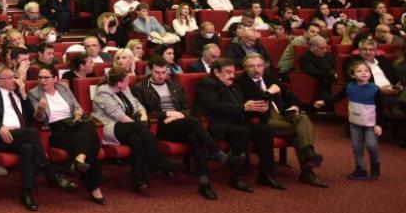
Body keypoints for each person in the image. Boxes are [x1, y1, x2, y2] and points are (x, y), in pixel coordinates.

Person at [0, 66, 77, 211]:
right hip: (1, 137)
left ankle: (27, 193)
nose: (14, 80)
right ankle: (51, 175)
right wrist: (0, 127)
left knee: (28, 149)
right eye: (9, 78)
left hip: (21, 136)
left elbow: (31, 117)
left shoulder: (19, 93)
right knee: (31, 133)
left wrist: (23, 94)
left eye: (14, 76)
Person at [133, 59, 235, 200]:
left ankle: (204, 183)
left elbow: (186, 107)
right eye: (157, 72)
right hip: (159, 125)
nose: (161, 76)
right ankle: (217, 153)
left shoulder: (175, 85)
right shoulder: (140, 87)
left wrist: (180, 115)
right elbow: (141, 112)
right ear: (150, 70)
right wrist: (166, 114)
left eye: (164, 72)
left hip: (180, 121)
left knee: (194, 137)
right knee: (194, 123)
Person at [235, 54, 328, 188]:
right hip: (261, 119)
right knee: (299, 133)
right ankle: (308, 169)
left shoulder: (269, 77)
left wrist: (295, 106)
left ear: (264, 66)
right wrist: (269, 91)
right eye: (251, 66)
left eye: (259, 65)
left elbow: (290, 96)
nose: (256, 69)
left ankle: (309, 153)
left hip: (282, 114)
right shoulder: (241, 82)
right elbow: (253, 103)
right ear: (245, 68)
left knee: (302, 117)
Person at [196, 59, 284, 192]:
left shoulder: (233, 85)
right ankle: (237, 176)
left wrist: (257, 107)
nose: (232, 75)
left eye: (233, 72)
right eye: (228, 72)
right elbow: (214, 106)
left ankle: (266, 174)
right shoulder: (207, 84)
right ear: (216, 72)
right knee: (242, 132)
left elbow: (243, 105)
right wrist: (244, 107)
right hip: (216, 124)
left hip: (236, 122)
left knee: (264, 130)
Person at [92, 67, 178, 193]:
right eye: (127, 80)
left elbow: (137, 104)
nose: (129, 82)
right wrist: (139, 126)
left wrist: (143, 115)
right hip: (109, 128)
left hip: (128, 127)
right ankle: (159, 160)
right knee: (139, 128)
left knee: (137, 139)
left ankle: (139, 180)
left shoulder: (125, 89)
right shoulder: (102, 92)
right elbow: (120, 117)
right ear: (119, 83)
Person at [28, 66, 105, 205]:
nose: (42, 81)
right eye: (40, 77)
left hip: (74, 123)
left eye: (46, 77)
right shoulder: (34, 93)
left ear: (55, 79)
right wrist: (40, 109)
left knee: (89, 125)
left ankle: (79, 159)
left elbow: (76, 106)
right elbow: (39, 119)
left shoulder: (63, 87)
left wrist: (78, 112)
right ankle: (94, 188)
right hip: (55, 129)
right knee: (89, 143)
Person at [344, 60, 385, 180]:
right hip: (355, 122)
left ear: (370, 74)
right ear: (353, 74)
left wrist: (379, 124)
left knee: (372, 145)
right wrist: (324, 102)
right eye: (359, 71)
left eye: (366, 71)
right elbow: (338, 97)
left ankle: (375, 164)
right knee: (357, 146)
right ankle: (360, 168)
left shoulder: (375, 89)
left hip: (371, 124)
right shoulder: (350, 86)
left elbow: (380, 108)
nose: (363, 73)